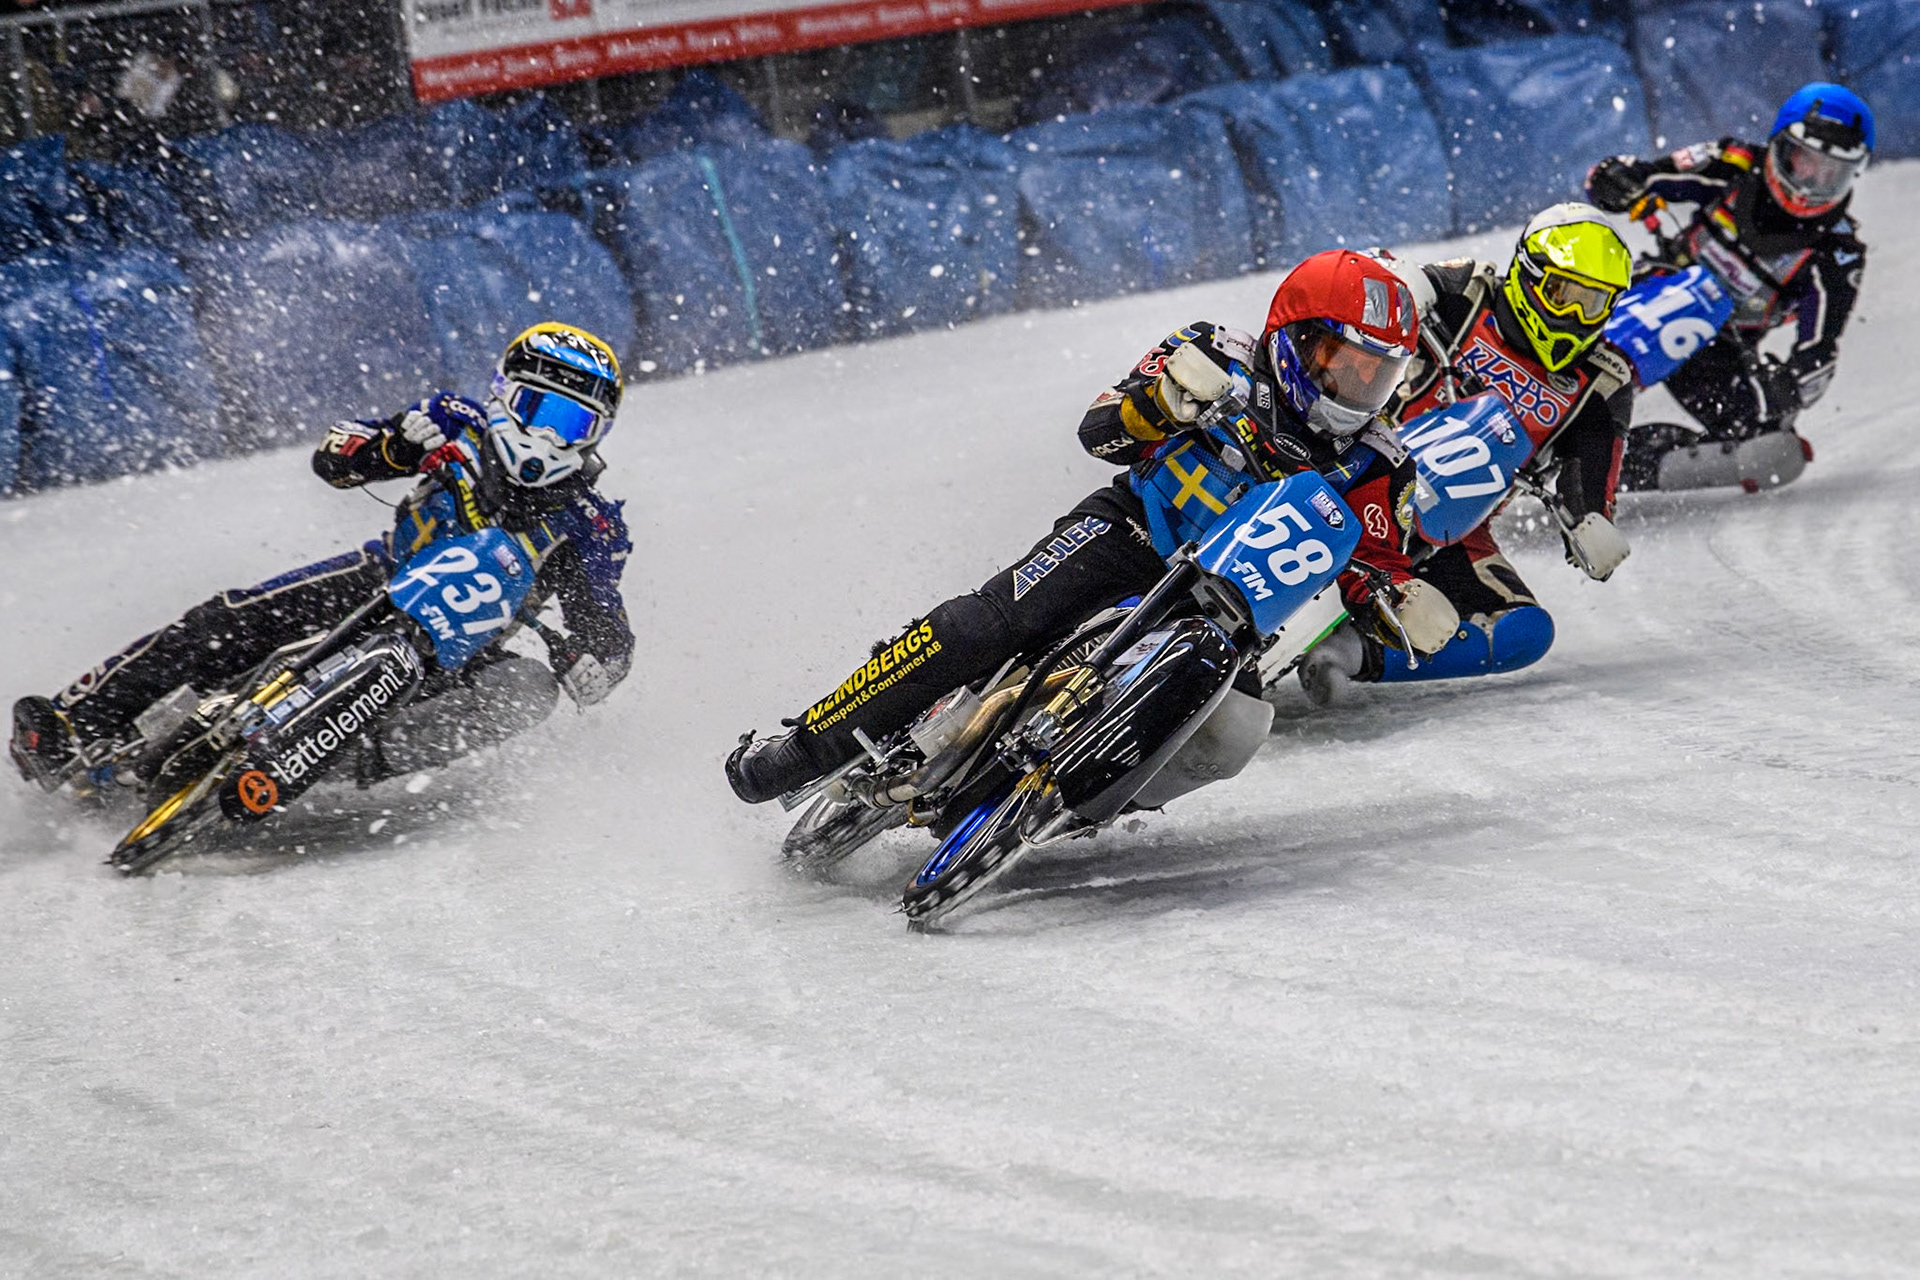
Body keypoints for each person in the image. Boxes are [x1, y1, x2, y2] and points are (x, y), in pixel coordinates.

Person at [727, 249, 1460, 804]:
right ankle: (802, 746)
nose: (1358, 388)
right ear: (1295, 337)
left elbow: (1372, 559)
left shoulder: (1379, 461)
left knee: (1231, 732)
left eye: (1379, 374)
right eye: (1344, 365)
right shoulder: (1214, 352)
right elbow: (1100, 431)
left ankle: (1071, 804)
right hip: (1131, 532)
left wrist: (1393, 600)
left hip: (1232, 610)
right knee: (984, 626)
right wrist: (1161, 406)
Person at [9, 323, 634, 793]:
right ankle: (71, 724)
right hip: (378, 578)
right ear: (503, 395)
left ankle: (350, 758)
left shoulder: (590, 524)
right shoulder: (454, 422)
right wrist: (391, 447)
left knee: (527, 691)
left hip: (459, 647)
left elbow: (607, 629)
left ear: (596, 436)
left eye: (572, 424)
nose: (548, 436)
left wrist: (595, 664)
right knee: (230, 616)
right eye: (538, 411)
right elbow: (334, 457)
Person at [1297, 203, 1637, 704]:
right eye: (1563, 294)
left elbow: (1591, 478)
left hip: (1450, 530)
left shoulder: (1603, 381)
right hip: (1354, 456)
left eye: (1595, 303)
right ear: (1528, 275)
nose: (1575, 317)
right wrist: (1396, 280)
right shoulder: (1467, 289)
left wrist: (1592, 524)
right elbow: (1372, 286)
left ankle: (1351, 653)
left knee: (1523, 632)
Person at [1585, 83, 1873, 490]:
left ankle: (1598, 465)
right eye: (1804, 162)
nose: (1811, 184)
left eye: (1831, 174)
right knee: (1578, 310)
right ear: (1780, 146)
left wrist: (1786, 387)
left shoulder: (1838, 253)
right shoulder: (1734, 162)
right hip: (1656, 287)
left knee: (1768, 446)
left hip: (1717, 348)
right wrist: (1616, 180)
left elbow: (1818, 352)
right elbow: (1644, 176)